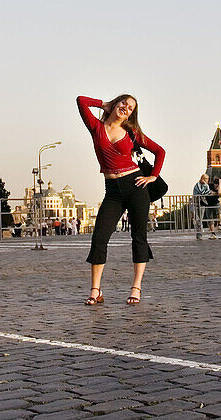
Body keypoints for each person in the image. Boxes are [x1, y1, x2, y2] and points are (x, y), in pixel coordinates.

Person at [77, 95, 165, 306]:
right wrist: (103, 104)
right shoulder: (95, 126)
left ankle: (136, 287)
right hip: (113, 191)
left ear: (132, 114)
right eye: (123, 103)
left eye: (131, 108)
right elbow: (81, 100)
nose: (126, 108)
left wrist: (153, 175)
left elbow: (160, 151)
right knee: (99, 237)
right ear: (115, 103)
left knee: (138, 237)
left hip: (136, 187)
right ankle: (96, 290)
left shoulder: (132, 133)